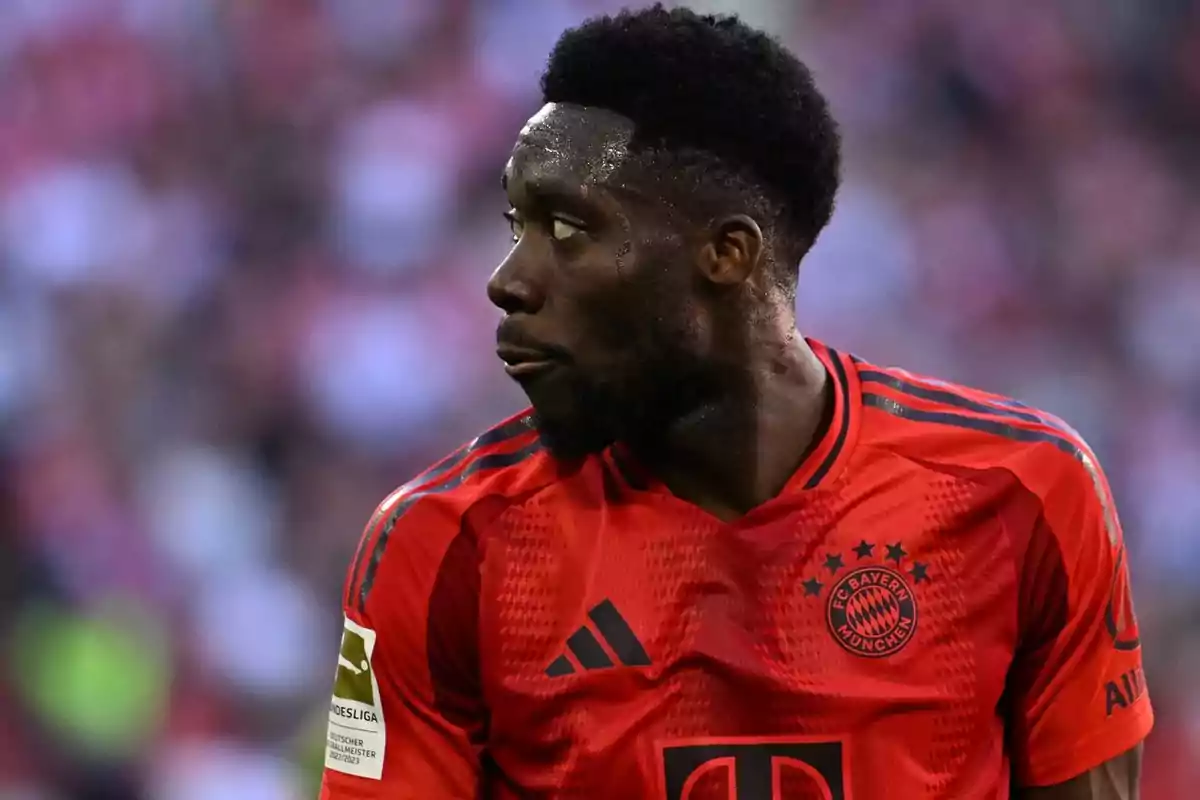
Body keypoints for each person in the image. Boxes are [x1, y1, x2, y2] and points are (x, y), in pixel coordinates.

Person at [318, 6, 1151, 798]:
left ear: (726, 255)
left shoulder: (1021, 495)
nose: (508, 282)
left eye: (568, 229)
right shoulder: (440, 544)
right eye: (514, 224)